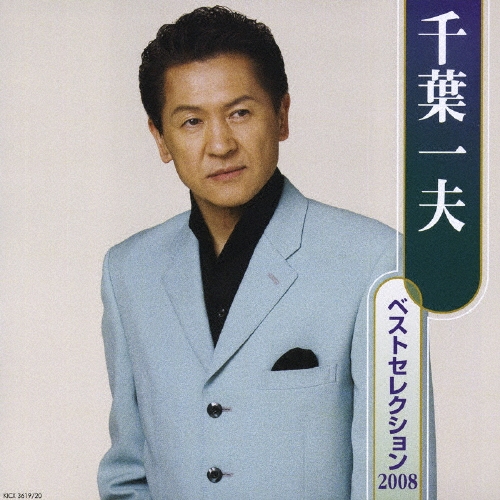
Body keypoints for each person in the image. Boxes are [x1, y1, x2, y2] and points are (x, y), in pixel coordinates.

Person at [98, 6, 433, 499]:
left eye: (239, 113)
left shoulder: (377, 260)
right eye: (191, 121)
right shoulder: (128, 271)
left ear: (281, 115)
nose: (219, 144)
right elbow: (128, 473)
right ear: (160, 138)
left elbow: (396, 480)